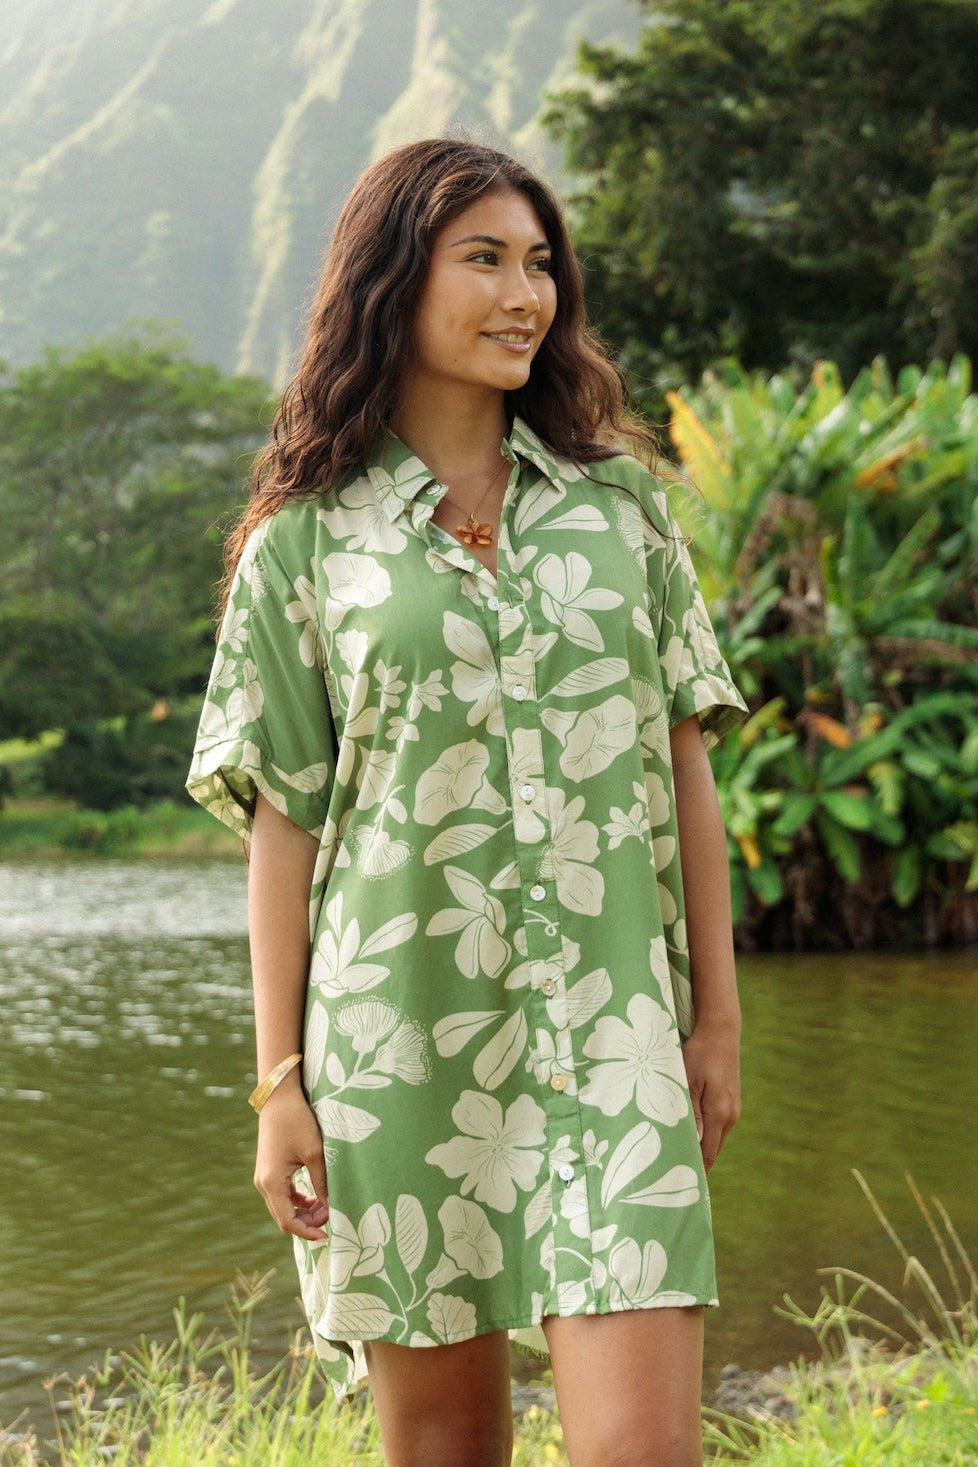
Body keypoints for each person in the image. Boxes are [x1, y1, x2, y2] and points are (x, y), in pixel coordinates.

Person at [187, 137, 746, 1467]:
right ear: (393, 281)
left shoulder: (624, 514)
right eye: (483, 259)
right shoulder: (306, 545)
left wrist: (714, 1017)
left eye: (539, 261)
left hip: (618, 1043)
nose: (524, 294)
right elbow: (289, 827)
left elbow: (685, 773)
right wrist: (280, 1084)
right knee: (444, 1456)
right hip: (399, 1050)